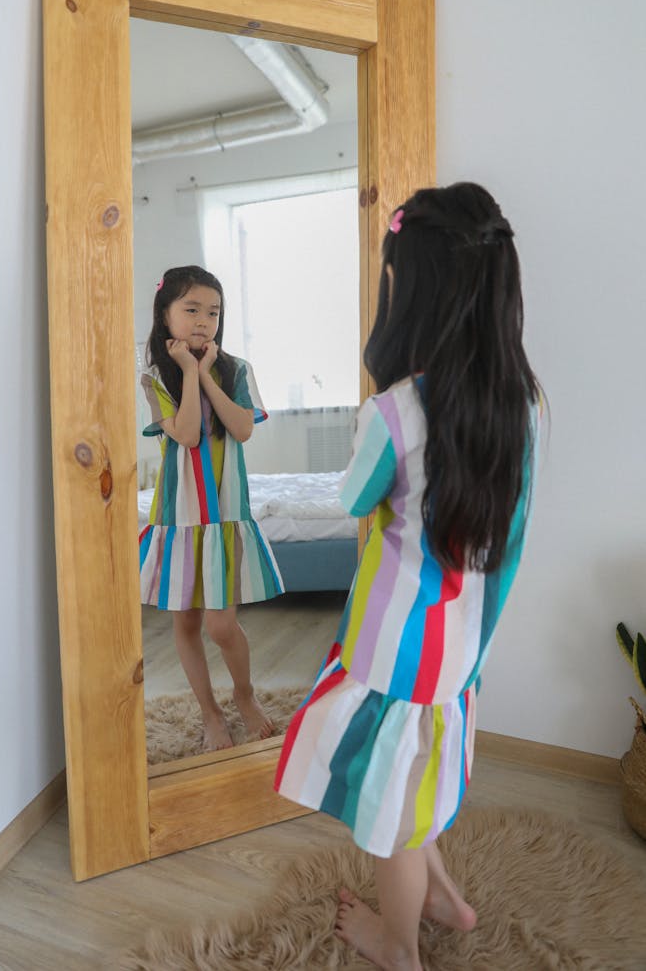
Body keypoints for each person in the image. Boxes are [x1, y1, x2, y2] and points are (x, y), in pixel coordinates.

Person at [274, 183, 543, 971]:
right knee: (415, 776)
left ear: (413, 292)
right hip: (456, 644)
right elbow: (514, 547)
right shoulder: (517, 408)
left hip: (391, 644)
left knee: (388, 807)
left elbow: (354, 497)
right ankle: (445, 900)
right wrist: (479, 651)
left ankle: (399, 947)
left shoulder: (394, 411)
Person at [139, 265, 284, 752]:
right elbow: (185, 433)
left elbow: (241, 430)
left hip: (224, 510)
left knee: (221, 624)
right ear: (166, 315)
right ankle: (209, 712)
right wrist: (184, 373)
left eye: (213, 312)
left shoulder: (236, 368)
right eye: (192, 309)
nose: (204, 320)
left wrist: (204, 374)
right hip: (178, 514)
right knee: (185, 622)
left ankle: (244, 696)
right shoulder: (156, 376)